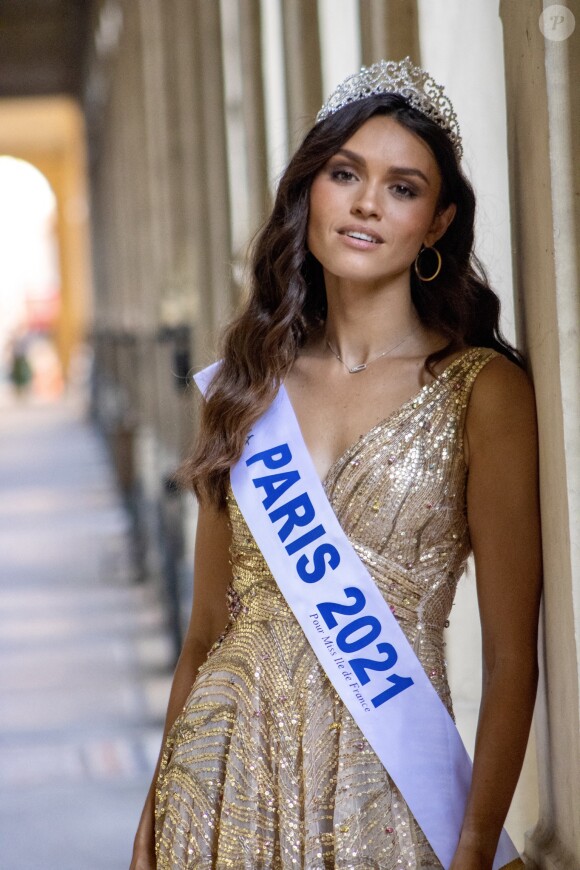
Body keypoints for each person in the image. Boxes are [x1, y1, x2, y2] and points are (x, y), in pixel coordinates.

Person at [130, 58, 541, 870]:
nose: (365, 203)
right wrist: (151, 830)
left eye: (402, 186)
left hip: (384, 804)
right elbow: (206, 633)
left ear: (437, 221)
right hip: (215, 798)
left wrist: (472, 848)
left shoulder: (482, 391)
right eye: (345, 173)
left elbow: (510, 657)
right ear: (308, 193)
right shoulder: (247, 385)